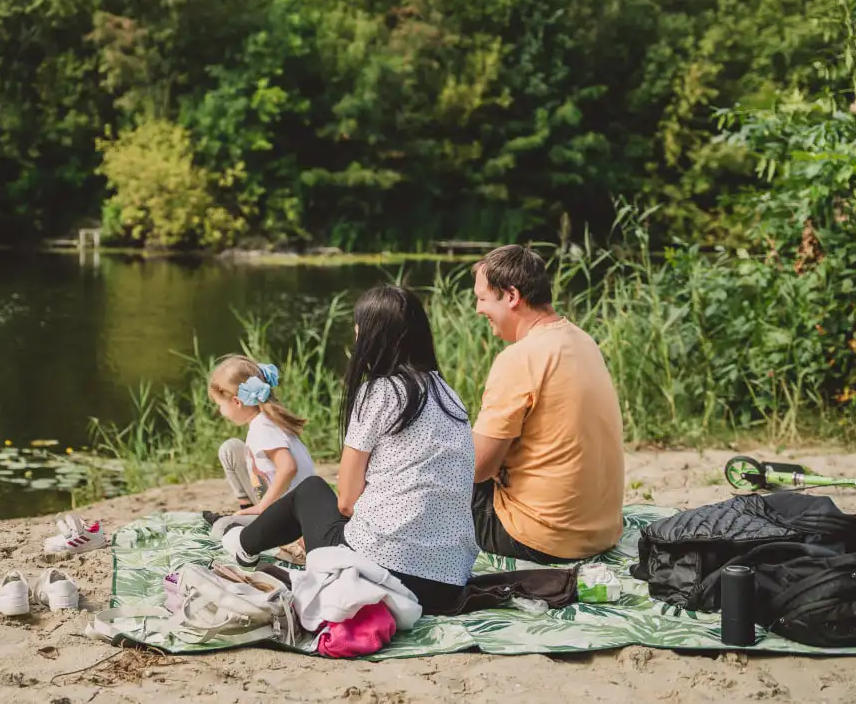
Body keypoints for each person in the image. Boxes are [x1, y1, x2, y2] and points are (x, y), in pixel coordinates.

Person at [218, 285, 477, 616]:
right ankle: (251, 538)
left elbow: (346, 500)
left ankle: (244, 545)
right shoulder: (448, 394)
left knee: (312, 491)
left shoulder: (380, 392)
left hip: (386, 573)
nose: (355, 337)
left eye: (357, 327)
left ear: (372, 335)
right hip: (447, 585)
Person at [471, 245, 625, 563]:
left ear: (511, 296)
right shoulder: (583, 341)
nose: (477, 309)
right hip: (600, 532)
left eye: (483, 298)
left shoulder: (519, 358)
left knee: (428, 483)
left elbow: (475, 468)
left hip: (540, 537)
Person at [210, 357, 315, 515]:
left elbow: (288, 467)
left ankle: (254, 516)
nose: (221, 412)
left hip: (290, 512)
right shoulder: (267, 420)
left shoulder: (262, 427)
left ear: (237, 402)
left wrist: (262, 507)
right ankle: (248, 510)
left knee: (224, 529)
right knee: (230, 449)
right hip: (290, 503)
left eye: (220, 405)